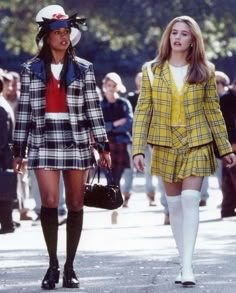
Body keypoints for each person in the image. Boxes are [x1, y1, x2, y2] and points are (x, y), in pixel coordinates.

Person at [132, 15, 236, 286]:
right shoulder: (152, 70)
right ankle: (183, 260)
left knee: (190, 200)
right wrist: (138, 149)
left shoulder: (205, 70)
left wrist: (224, 147)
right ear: (168, 36)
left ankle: (188, 267)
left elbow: (213, 112)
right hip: (164, 142)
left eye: (184, 34)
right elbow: (143, 111)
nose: (177, 37)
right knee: (174, 205)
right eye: (174, 32)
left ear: (193, 40)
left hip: (197, 141)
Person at [12, 5, 111, 290]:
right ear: (47, 36)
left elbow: (94, 109)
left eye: (67, 31)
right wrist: (19, 151)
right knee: (50, 202)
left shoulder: (84, 69)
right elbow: (25, 112)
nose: (64, 37)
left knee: (77, 204)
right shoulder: (30, 69)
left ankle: (70, 267)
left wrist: (102, 146)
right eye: (59, 32)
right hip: (43, 140)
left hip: (76, 138)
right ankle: (52, 265)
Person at [122, 72, 158, 207]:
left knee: (149, 171)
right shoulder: (130, 98)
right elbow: (130, 119)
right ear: (138, 83)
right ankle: (125, 197)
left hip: (149, 141)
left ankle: (151, 196)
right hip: (133, 139)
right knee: (129, 171)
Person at [101, 72, 132, 188]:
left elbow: (129, 123)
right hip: (105, 143)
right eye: (109, 85)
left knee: (118, 175)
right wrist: (114, 124)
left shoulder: (124, 103)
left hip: (120, 142)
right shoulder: (99, 104)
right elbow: (98, 126)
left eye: (114, 86)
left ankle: (115, 199)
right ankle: (110, 199)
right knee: (108, 174)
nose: (111, 88)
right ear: (105, 86)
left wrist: (109, 128)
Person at [0, 74, 16, 234]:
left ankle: (7, 223)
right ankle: (7, 223)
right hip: (5, 157)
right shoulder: (3, 104)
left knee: (3, 192)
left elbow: (2, 137)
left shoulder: (0, 108)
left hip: (3, 158)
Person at [220, 77, 236, 218]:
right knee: (229, 178)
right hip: (229, 144)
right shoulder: (226, 100)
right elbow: (225, 123)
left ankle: (228, 208)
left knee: (228, 179)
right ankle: (227, 208)